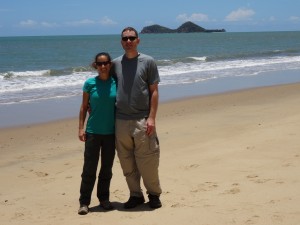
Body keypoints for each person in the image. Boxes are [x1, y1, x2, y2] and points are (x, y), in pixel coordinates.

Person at [111, 27, 162, 209]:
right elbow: (107, 88)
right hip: (120, 121)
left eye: (132, 38)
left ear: (138, 40)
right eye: (125, 38)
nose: (129, 41)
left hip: (142, 119)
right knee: (126, 162)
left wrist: (152, 118)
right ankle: (135, 195)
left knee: (147, 160)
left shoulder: (148, 61)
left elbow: (154, 91)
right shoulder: (115, 63)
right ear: (121, 41)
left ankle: (154, 195)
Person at [78, 52, 117, 215]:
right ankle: (84, 202)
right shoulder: (89, 83)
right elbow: (83, 107)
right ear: (95, 65)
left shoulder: (116, 82)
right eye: (99, 63)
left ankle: (104, 199)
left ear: (110, 64)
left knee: (106, 169)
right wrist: (81, 128)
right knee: (89, 169)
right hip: (93, 132)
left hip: (111, 132)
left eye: (106, 63)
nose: (103, 66)